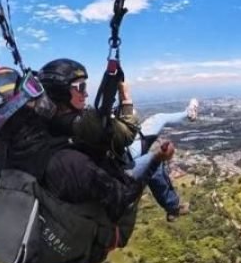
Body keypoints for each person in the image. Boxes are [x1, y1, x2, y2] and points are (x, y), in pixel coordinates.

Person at [0, 66, 174, 263]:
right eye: (32, 90)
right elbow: (124, 198)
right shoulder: (70, 164)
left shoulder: (2, 153)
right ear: (24, 108)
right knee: (142, 166)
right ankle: (171, 203)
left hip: (46, 230)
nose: (41, 96)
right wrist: (158, 158)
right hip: (104, 238)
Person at [38, 58, 196, 221]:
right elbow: (128, 133)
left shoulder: (48, 120)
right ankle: (173, 207)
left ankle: (188, 113)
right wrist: (125, 94)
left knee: (158, 119)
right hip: (117, 171)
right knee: (156, 153)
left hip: (114, 157)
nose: (85, 93)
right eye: (81, 87)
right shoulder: (83, 124)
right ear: (61, 92)